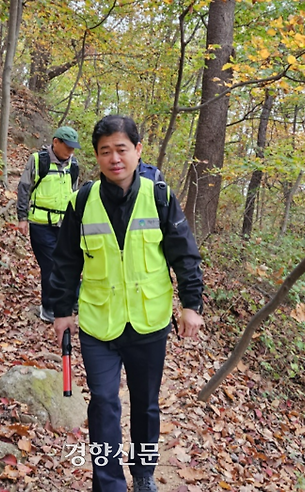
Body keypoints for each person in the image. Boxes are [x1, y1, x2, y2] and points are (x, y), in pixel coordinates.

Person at [50, 115, 204, 492]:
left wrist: (191, 304)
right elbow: (66, 259)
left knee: (146, 404)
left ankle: (144, 473)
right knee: (103, 403)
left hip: (148, 323)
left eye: (121, 149)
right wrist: (61, 311)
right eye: (106, 151)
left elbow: (184, 254)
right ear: (98, 157)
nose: (114, 158)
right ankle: (109, 483)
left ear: (137, 150)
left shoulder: (161, 196)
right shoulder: (82, 201)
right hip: (99, 323)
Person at [17, 126, 81, 323]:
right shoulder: (39, 161)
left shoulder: (74, 165)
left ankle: (72, 300)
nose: (70, 151)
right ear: (56, 142)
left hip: (64, 224)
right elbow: (24, 187)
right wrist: (22, 217)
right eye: (67, 147)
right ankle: (49, 308)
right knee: (50, 265)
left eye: (73, 148)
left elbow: (74, 193)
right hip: (40, 224)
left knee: (70, 262)